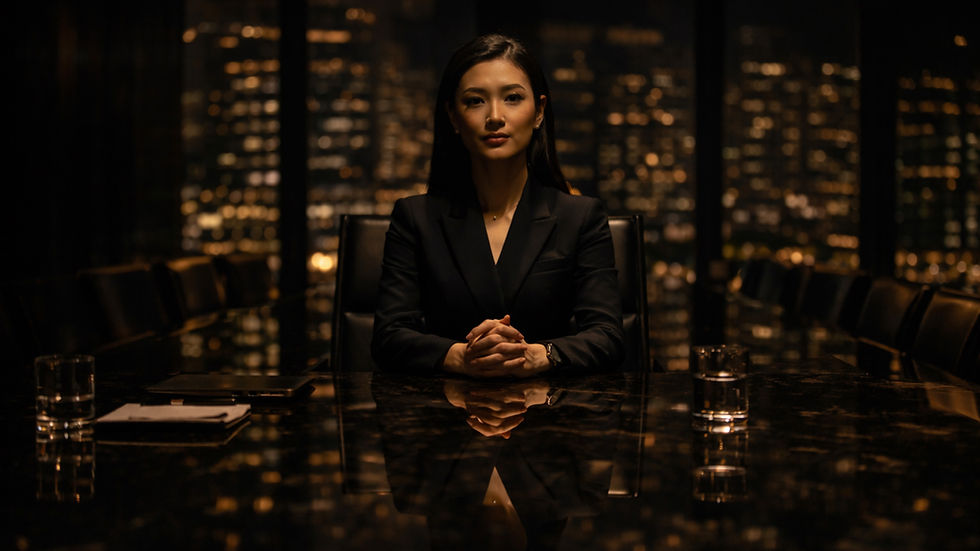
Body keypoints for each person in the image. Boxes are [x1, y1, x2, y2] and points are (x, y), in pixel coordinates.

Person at [371, 34, 624, 377]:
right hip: (444, 417)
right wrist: (461, 356)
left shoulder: (580, 217)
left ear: (539, 112)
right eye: (475, 101)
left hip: (550, 417)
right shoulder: (416, 217)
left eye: (513, 98)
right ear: (453, 117)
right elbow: (388, 337)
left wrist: (537, 355)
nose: (495, 116)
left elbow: (608, 337)